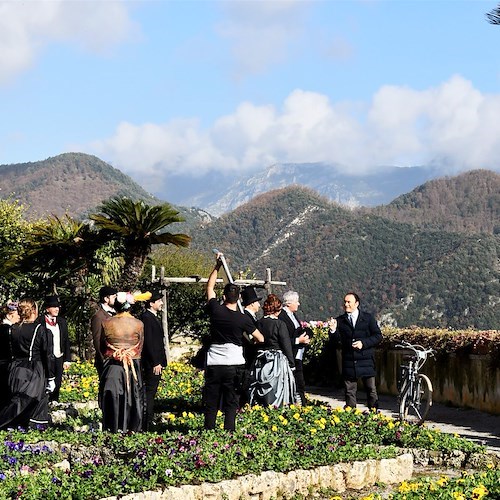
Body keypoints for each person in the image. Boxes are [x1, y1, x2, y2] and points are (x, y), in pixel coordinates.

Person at [203, 253, 264, 431]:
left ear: (223, 296)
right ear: (238, 299)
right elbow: (260, 337)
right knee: (231, 401)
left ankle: (209, 430)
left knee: (212, 400)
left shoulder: (215, 311)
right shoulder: (242, 318)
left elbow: (209, 287)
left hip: (215, 362)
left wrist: (217, 266)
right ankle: (229, 430)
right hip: (234, 364)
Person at [0, 298, 55, 430]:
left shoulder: (11, 329)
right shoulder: (39, 329)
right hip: (33, 369)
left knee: (19, 398)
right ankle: (27, 424)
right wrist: (51, 377)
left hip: (15, 368)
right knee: (24, 400)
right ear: (34, 311)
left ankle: (24, 425)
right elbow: (47, 355)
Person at [98, 291, 144, 433]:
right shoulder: (139, 324)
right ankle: (131, 428)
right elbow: (140, 347)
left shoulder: (106, 323)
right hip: (132, 366)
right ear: (130, 306)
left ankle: (112, 427)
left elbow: (102, 346)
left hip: (113, 365)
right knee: (133, 397)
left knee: (112, 397)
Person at [330, 292, 383, 410]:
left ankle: (374, 414)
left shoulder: (368, 318)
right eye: (345, 302)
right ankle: (351, 417)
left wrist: (363, 343)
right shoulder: (340, 321)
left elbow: (378, 336)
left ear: (357, 304)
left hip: (366, 360)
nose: (346, 304)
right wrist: (333, 331)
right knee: (349, 391)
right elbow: (336, 342)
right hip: (349, 361)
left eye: (349, 302)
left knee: (371, 390)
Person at [249, 294, 297, 407]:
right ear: (277, 310)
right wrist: (291, 363)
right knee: (277, 391)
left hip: (260, 360)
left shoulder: (258, 323)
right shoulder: (280, 324)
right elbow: (286, 345)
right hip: (276, 362)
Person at [140, 291, 167, 431]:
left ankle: (148, 421)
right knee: (149, 393)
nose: (161, 303)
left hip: (156, 362)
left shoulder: (151, 317)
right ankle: (146, 422)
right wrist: (156, 361)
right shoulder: (147, 318)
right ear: (151, 303)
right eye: (159, 301)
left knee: (151, 392)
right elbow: (149, 342)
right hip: (151, 363)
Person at [278, 291, 310, 405]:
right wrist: (298, 340)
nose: (298, 304)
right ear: (289, 303)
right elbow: (282, 339)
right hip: (290, 355)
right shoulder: (282, 317)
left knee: (300, 382)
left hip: (297, 354)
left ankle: (301, 404)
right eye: (296, 301)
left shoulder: (293, 315)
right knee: (294, 382)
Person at [40, 295, 71, 402]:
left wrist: (67, 359)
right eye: (54, 307)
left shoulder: (62, 322)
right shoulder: (40, 322)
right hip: (45, 358)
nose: (57, 309)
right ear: (47, 309)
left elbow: (66, 340)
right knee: (45, 382)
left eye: (58, 307)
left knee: (57, 382)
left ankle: (55, 401)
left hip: (58, 356)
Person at [91, 286, 117, 378]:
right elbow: (97, 339)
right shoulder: (99, 316)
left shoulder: (117, 313)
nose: (116, 299)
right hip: (106, 359)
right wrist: (103, 359)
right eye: (114, 297)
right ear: (106, 299)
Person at [0, 301, 19, 408]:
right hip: (6, 365)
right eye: (17, 314)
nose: (19, 317)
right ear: (10, 315)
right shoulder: (9, 330)